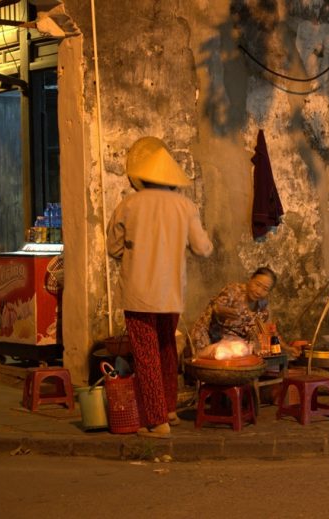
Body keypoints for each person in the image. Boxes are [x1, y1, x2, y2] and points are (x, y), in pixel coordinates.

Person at [107, 136, 213, 439]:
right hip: (171, 293)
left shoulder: (128, 205)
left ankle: (156, 422)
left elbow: (113, 248)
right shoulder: (185, 206)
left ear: (142, 177)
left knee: (146, 356)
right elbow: (203, 248)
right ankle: (168, 408)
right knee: (167, 349)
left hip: (139, 293)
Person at [190, 267, 281, 357]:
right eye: (257, 284)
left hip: (230, 343)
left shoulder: (262, 308)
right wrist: (223, 311)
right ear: (250, 279)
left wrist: (286, 348)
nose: (259, 291)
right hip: (207, 335)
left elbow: (267, 332)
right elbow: (216, 308)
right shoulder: (233, 291)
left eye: (265, 289)